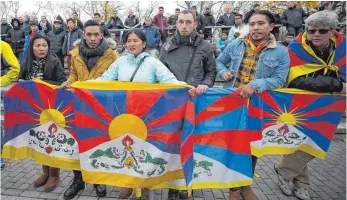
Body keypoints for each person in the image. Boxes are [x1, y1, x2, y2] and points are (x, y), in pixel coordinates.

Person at [216, 10, 290, 200]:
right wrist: (223, 72)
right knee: (233, 146)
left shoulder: (281, 51)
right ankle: (234, 189)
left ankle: (246, 184)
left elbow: (280, 79)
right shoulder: (235, 44)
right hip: (232, 104)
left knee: (253, 147)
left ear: (271, 26)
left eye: (260, 23)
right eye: (252, 24)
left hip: (258, 106)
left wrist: (255, 85)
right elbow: (220, 61)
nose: (256, 28)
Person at [275, 11, 346, 200]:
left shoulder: (343, 48)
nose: (315, 34)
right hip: (300, 102)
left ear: (332, 31)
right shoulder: (296, 47)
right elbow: (295, 80)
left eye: (322, 31)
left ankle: (284, 170)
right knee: (300, 140)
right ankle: (302, 184)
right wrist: (336, 84)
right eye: (311, 30)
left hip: (331, 105)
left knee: (320, 139)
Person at [159, 10, 217, 199]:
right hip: (173, 104)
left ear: (195, 25)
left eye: (188, 22)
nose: (184, 26)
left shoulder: (205, 46)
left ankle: (187, 183)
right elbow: (159, 72)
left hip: (195, 103)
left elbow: (211, 72)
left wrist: (205, 84)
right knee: (173, 144)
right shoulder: (167, 46)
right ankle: (173, 185)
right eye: (181, 22)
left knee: (192, 143)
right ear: (176, 24)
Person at [59, 20, 119, 199]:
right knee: (76, 144)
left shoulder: (112, 56)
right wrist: (69, 82)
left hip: (101, 109)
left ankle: (98, 179)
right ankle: (78, 180)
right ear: (83, 35)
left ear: (101, 35)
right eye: (89, 34)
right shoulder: (74, 53)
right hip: (78, 105)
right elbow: (73, 74)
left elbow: (116, 80)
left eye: (96, 34)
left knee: (98, 144)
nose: (92, 38)